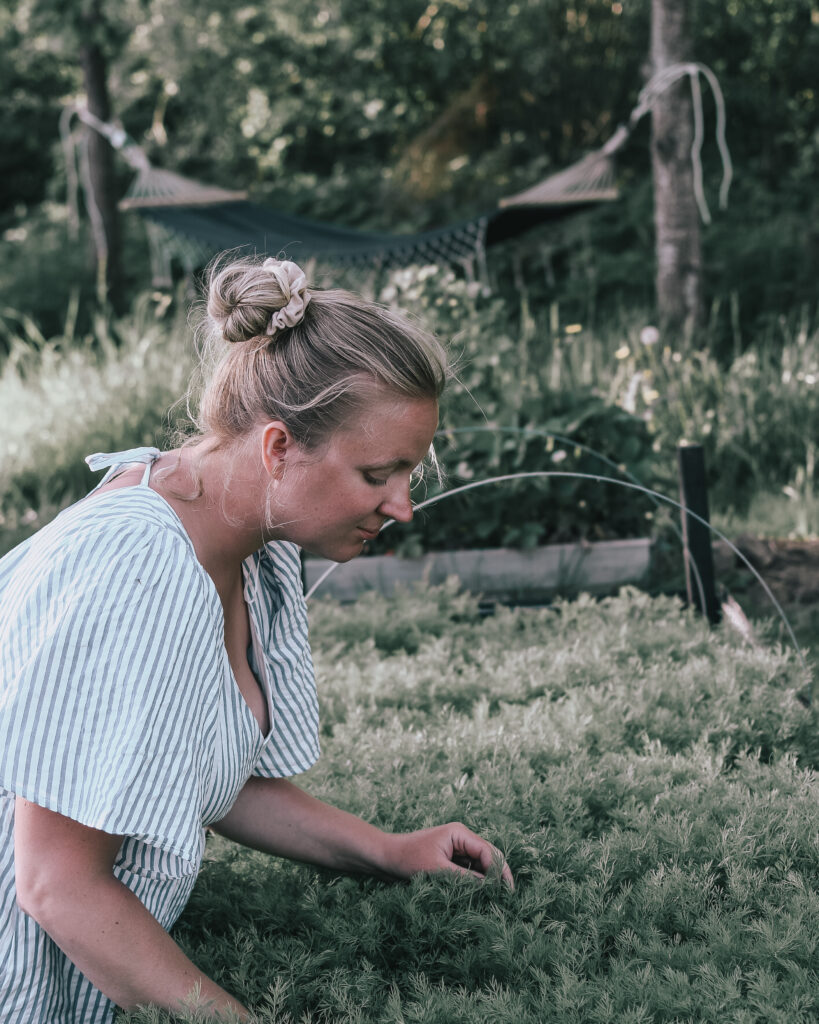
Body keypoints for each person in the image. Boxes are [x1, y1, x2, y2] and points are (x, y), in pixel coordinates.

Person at [0, 255, 513, 1023]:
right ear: (278, 449)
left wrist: (388, 850)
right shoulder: (135, 569)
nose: (403, 506)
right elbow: (58, 885)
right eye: (379, 472)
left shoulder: (244, 532)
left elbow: (200, 766)